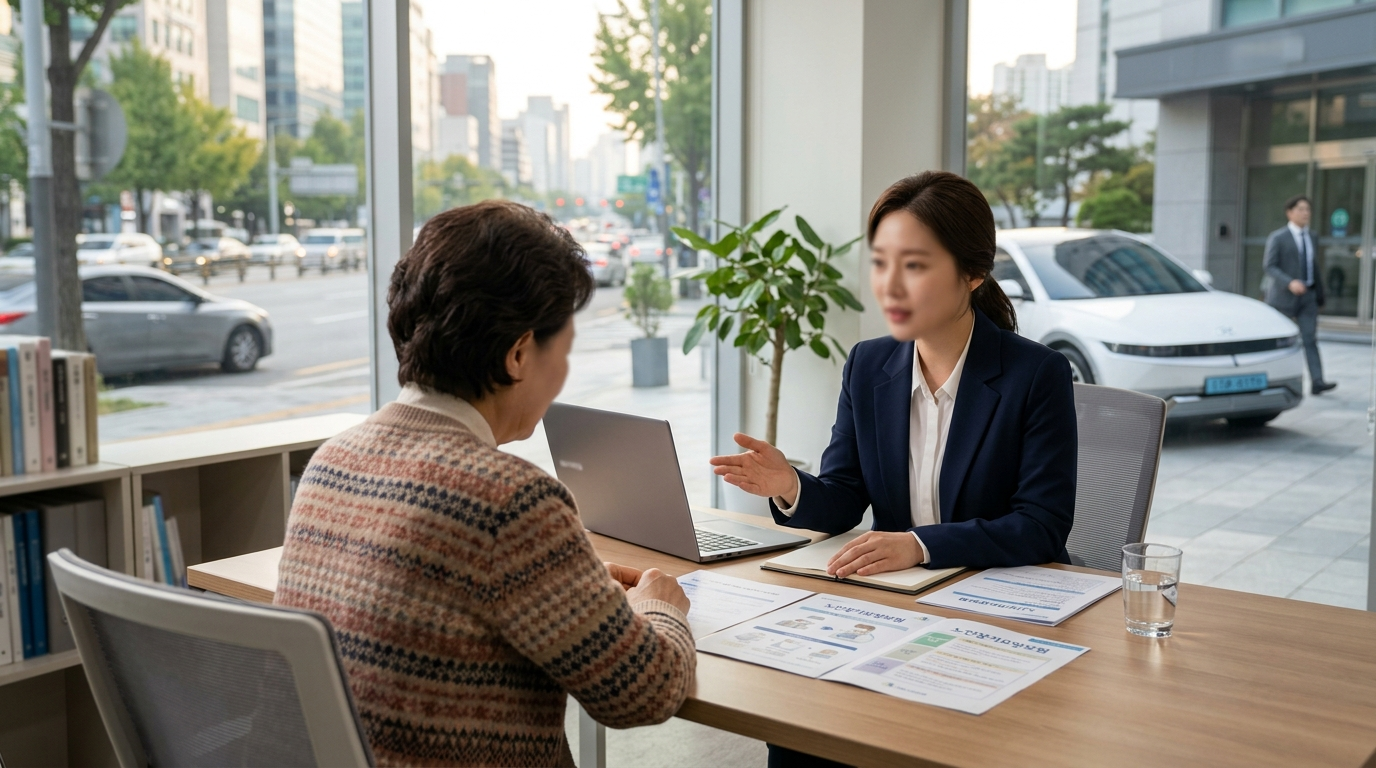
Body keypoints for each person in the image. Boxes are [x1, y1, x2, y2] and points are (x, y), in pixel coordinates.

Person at [275, 200, 695, 767]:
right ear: (520, 353)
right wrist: (659, 605)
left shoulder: (333, 459)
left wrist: (565, 583)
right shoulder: (507, 500)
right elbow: (643, 692)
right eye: (562, 351)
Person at [710, 171, 1077, 768]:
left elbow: (1041, 525)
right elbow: (847, 495)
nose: (890, 286)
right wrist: (791, 487)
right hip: (895, 608)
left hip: (992, 613)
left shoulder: (1036, 375)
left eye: (915, 265)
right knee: (802, 724)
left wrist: (917, 545)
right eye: (881, 263)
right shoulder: (869, 364)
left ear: (973, 274)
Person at [1264, 195, 1336, 395]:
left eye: (1308, 209)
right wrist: (1290, 282)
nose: (1306, 213)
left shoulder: (1312, 236)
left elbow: (1314, 267)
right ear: (1290, 212)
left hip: (1308, 298)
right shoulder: (1278, 237)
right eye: (1301, 209)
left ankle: (1317, 381)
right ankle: (1274, 379)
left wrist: (1319, 294)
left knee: (1310, 339)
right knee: (1281, 342)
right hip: (1283, 299)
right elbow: (1269, 266)